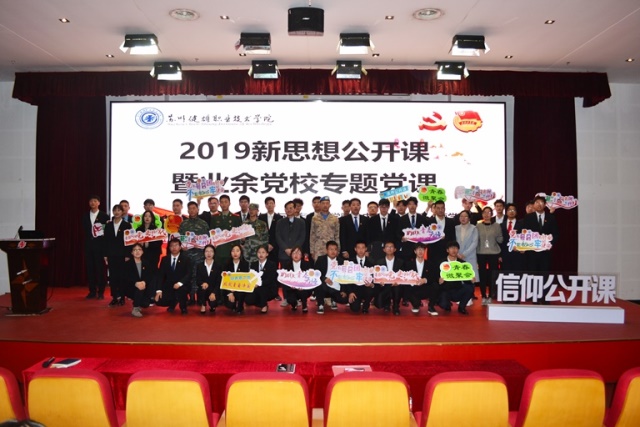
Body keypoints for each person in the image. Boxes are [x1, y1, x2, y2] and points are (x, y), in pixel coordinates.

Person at [523, 195, 559, 303]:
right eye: (537, 202)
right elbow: (524, 234)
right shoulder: (528, 217)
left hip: (545, 253)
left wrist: (549, 244)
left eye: (541, 202)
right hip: (532, 252)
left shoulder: (551, 217)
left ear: (545, 205)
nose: (539, 204)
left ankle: (545, 297)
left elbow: (556, 234)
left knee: (545, 274)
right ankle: (534, 296)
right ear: (534, 205)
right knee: (533, 274)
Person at [275, 201, 306, 306]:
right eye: (287, 208)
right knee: (285, 277)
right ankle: (286, 298)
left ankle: (296, 298)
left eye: (291, 208)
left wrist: (294, 250)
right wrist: (285, 249)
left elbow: (302, 237)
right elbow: (278, 237)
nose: (289, 210)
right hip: (284, 254)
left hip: (296, 254)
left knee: (296, 276)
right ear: (284, 210)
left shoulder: (301, 222)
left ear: (295, 209)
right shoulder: (280, 222)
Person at [179, 201, 210, 305]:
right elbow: (180, 238)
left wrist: (202, 245)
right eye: (190, 209)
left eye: (194, 208)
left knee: (199, 276)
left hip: (200, 254)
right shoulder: (184, 224)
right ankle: (191, 297)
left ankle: (201, 298)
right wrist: (182, 246)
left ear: (198, 209)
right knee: (189, 275)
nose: (192, 210)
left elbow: (207, 239)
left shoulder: (203, 223)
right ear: (187, 210)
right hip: (187, 254)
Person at [103, 204, 132, 307]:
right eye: (114, 210)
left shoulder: (127, 225)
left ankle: (122, 297)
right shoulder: (108, 225)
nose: (116, 212)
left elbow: (129, 241)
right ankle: (114, 297)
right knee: (113, 277)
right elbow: (105, 241)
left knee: (122, 277)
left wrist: (128, 254)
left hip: (122, 255)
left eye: (119, 210)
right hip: (111, 254)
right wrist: (105, 254)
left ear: (122, 212)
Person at [82, 195, 110, 299]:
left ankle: (101, 291)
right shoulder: (85, 216)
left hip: (100, 246)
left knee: (100, 269)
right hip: (89, 245)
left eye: (95, 201)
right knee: (90, 268)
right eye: (91, 201)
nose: (93, 203)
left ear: (99, 203)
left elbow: (107, 231)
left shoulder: (104, 216)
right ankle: (92, 291)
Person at [436, 241, 474, 315]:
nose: (454, 250)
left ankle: (461, 307)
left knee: (470, 287)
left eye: (456, 248)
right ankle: (447, 305)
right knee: (443, 303)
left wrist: (471, 279)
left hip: (458, 289)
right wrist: (439, 280)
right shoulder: (441, 263)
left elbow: (466, 279)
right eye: (451, 248)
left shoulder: (462, 264)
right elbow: (434, 276)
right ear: (447, 250)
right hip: (445, 290)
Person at [156, 238, 192, 315]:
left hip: (182, 284)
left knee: (181, 290)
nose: (174, 247)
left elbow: (189, 274)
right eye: (172, 246)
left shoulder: (186, 259)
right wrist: (158, 290)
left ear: (180, 247)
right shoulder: (165, 259)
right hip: (169, 285)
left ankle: (183, 307)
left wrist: (180, 283)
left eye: (176, 245)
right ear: (169, 248)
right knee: (158, 300)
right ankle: (173, 301)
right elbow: (161, 275)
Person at [476, 206, 504, 305]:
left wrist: (499, 237)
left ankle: (491, 295)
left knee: (493, 275)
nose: (486, 215)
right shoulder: (478, 226)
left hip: (494, 253)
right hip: (481, 253)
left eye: (489, 213)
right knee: (482, 275)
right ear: (482, 214)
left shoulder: (497, 225)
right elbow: (476, 240)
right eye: (484, 212)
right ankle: (484, 296)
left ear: (492, 214)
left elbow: (501, 239)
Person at [404, 243, 439, 316]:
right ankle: (416, 305)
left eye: (422, 249)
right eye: (418, 249)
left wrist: (425, 280)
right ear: (415, 251)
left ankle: (431, 307)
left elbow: (434, 277)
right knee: (407, 290)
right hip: (413, 288)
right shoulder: (408, 264)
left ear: (425, 251)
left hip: (425, 287)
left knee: (435, 285)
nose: (420, 251)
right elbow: (405, 277)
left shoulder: (430, 264)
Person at [313, 240, 348, 314]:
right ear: (326, 250)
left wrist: (343, 290)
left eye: (335, 249)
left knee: (344, 300)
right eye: (331, 249)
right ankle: (320, 304)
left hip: (336, 288)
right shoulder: (321, 259)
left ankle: (334, 300)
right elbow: (315, 273)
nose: (333, 251)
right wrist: (324, 279)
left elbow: (345, 277)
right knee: (319, 284)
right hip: (324, 286)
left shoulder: (341, 261)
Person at [210, 194, 242, 267]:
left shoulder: (235, 218)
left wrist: (236, 250)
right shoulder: (215, 217)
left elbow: (238, 236)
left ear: (229, 203)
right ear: (219, 204)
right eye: (222, 202)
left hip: (231, 250)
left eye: (226, 202)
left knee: (229, 271)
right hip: (218, 250)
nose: (224, 204)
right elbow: (211, 234)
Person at [124, 243, 155, 318]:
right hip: (131, 287)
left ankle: (138, 303)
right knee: (139, 288)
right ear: (132, 252)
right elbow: (126, 278)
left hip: (143, 287)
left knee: (145, 304)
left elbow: (149, 276)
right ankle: (135, 308)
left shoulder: (146, 263)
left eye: (139, 249)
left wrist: (144, 282)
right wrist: (135, 283)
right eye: (135, 250)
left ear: (142, 252)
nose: (137, 252)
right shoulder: (128, 264)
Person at [279, 246, 313, 313]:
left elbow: (310, 278)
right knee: (290, 298)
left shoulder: (307, 264)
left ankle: (304, 305)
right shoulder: (286, 265)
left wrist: (303, 286)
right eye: (294, 253)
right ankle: (294, 304)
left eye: (298, 253)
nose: (296, 255)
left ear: (302, 255)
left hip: (303, 288)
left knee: (303, 292)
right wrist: (291, 286)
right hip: (291, 289)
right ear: (291, 255)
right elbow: (283, 279)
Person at [374, 240, 404, 315]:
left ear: (395, 249)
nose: (389, 248)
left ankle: (396, 306)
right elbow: (376, 276)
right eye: (387, 247)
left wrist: (399, 281)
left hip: (396, 285)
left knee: (397, 288)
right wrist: (379, 282)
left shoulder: (400, 262)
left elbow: (403, 275)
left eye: (391, 247)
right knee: (379, 304)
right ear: (384, 249)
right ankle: (386, 304)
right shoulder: (378, 262)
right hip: (383, 285)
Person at [221, 244, 253, 314]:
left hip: (241, 289)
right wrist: (230, 292)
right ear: (230, 252)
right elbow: (224, 280)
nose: (235, 253)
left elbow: (245, 280)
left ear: (241, 252)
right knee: (230, 304)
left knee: (241, 295)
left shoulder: (245, 264)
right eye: (233, 251)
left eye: (237, 251)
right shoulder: (226, 264)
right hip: (229, 289)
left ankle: (240, 304)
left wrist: (236, 288)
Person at [455, 210, 480, 299]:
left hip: (470, 256)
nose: (463, 218)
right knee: (460, 276)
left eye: (465, 216)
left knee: (470, 276)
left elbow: (474, 243)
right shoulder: (456, 228)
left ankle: (470, 295)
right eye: (461, 216)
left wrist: (464, 254)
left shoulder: (474, 228)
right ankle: (461, 295)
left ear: (469, 218)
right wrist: (457, 253)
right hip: (457, 255)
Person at [348, 241, 376, 314]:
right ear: (355, 249)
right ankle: (357, 301)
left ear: (366, 249)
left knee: (371, 290)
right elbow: (346, 279)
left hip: (366, 288)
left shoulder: (371, 262)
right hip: (354, 289)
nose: (361, 250)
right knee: (355, 309)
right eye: (358, 248)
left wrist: (372, 285)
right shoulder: (349, 262)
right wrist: (350, 292)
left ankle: (366, 305)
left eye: (363, 248)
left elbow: (374, 277)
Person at [309, 196, 340, 260]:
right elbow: (312, 235)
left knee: (332, 265)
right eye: (323, 203)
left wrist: (338, 249)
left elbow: (337, 236)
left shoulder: (335, 219)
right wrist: (312, 251)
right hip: (318, 249)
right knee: (319, 266)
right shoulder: (315, 218)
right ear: (320, 205)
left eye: (327, 203)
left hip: (332, 249)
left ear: (330, 205)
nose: (325, 205)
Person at [397, 196, 427, 261]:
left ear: (416, 205)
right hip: (406, 248)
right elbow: (397, 233)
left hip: (419, 248)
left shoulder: (423, 219)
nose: (412, 206)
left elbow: (426, 232)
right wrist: (402, 238)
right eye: (410, 204)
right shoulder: (402, 219)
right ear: (407, 206)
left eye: (414, 204)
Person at [250, 245, 277, 311]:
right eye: (259, 252)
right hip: (256, 287)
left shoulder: (272, 264)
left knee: (262, 290)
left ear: (267, 254)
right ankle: (260, 303)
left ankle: (263, 305)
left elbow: (271, 279)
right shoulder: (253, 264)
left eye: (263, 252)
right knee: (248, 300)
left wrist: (259, 284)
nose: (261, 254)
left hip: (268, 287)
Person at [258, 196, 283, 265]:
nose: (269, 205)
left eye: (271, 203)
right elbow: (259, 232)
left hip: (275, 247)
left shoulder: (279, 218)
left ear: (274, 205)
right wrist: (266, 244)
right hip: (263, 247)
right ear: (265, 205)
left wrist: (273, 244)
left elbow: (280, 233)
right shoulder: (261, 217)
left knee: (274, 266)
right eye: (268, 203)